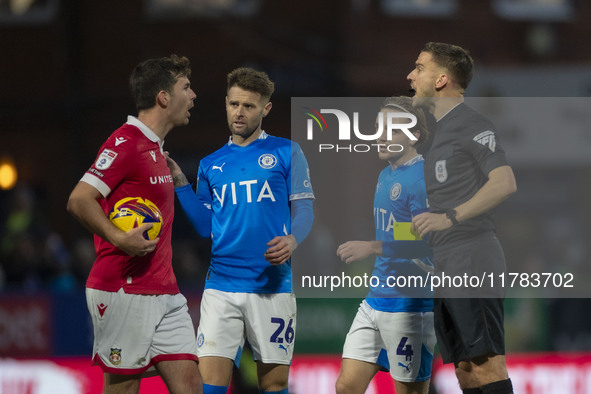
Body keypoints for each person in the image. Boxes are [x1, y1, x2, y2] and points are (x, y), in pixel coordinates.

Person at [166, 67, 314, 394]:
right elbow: (205, 226)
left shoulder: (286, 152)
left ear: (266, 109)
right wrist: (180, 184)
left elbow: (304, 209)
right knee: (210, 385)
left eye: (248, 106)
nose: (239, 112)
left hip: (272, 285)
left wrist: (292, 239)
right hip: (222, 286)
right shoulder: (210, 164)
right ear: (225, 104)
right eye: (233, 104)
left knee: (273, 385)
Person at [66, 55, 202, 394]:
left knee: (191, 386)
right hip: (123, 288)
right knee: (123, 390)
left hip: (165, 291)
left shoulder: (155, 149)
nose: (194, 95)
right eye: (186, 87)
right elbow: (79, 199)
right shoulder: (125, 143)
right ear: (163, 97)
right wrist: (118, 237)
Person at [408, 42, 517, 394]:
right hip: (446, 261)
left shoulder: (470, 123)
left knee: (487, 363)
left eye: (419, 68)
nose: (411, 75)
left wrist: (450, 218)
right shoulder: (434, 133)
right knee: (466, 370)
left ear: (441, 79)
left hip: (472, 254)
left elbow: (504, 182)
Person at [334, 97, 435, 394]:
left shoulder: (421, 180)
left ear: (414, 135)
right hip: (376, 299)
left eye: (391, 129)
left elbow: (427, 245)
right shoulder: (385, 175)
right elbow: (405, 233)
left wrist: (372, 247)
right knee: (346, 386)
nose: (380, 135)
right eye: (379, 127)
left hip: (410, 305)